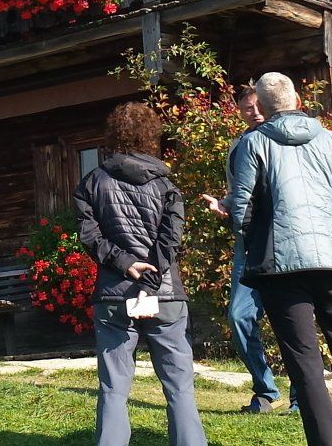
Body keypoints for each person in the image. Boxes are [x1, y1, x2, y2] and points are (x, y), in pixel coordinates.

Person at [227, 72, 332, 446]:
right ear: (298, 100)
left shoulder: (252, 142)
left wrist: (254, 245)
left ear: (261, 105)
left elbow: (241, 209)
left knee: (305, 362)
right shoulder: (330, 140)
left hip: (279, 268)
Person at [75, 101, 207, 446]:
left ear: (113, 136)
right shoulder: (167, 184)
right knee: (179, 386)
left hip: (115, 294)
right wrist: (150, 278)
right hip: (165, 296)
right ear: (151, 137)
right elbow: (171, 239)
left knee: (114, 387)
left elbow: (89, 235)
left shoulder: (92, 182)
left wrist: (124, 264)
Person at [200, 85, 283, 414]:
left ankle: (300, 396)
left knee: (287, 317)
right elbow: (240, 194)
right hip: (248, 243)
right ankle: (266, 389)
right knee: (239, 315)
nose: (256, 112)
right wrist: (223, 204)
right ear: (240, 111)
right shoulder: (238, 146)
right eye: (248, 108)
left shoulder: (282, 140)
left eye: (260, 106)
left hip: (285, 240)